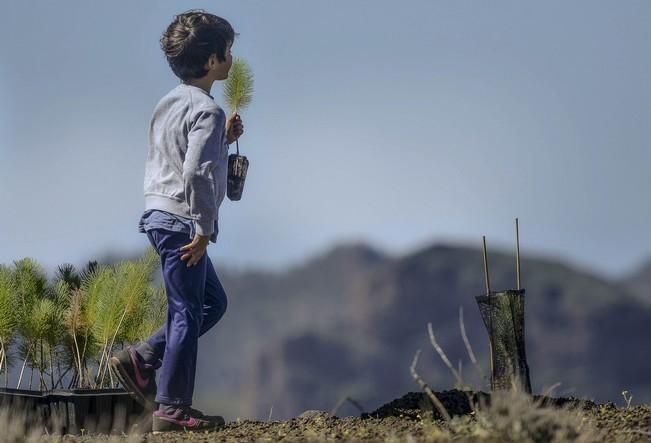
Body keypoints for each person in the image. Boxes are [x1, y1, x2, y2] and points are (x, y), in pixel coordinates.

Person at [109, 9, 244, 432]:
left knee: (212, 303)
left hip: (157, 214)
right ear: (211, 62)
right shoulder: (208, 111)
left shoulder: (171, 102)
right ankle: (171, 408)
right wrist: (203, 229)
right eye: (228, 51)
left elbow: (178, 153)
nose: (231, 57)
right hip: (183, 222)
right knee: (187, 311)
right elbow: (196, 173)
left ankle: (143, 359)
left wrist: (223, 140)